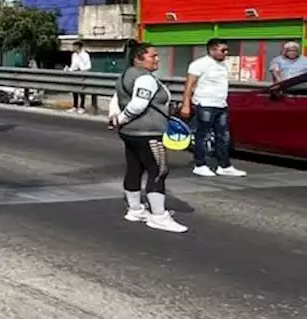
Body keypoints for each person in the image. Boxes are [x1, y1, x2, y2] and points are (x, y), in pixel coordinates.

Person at [109, 43, 188, 233]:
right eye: (153, 56)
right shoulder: (145, 79)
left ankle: (135, 210)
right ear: (139, 59)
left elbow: (116, 99)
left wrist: (115, 118)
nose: (157, 59)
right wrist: (121, 118)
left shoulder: (125, 75)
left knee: (134, 168)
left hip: (130, 133)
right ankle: (159, 216)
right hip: (148, 133)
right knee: (158, 171)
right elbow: (138, 104)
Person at [182, 38, 245, 178]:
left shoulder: (223, 65)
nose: (226, 53)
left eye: (227, 50)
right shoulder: (199, 64)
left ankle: (224, 165)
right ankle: (200, 164)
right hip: (205, 104)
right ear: (211, 50)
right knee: (202, 135)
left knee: (224, 136)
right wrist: (186, 104)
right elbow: (189, 85)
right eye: (223, 50)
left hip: (221, 104)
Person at [68, 40, 93, 113]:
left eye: (75, 46)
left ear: (79, 47)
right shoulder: (74, 55)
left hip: (82, 73)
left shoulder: (85, 55)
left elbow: (88, 66)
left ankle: (82, 107)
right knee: (74, 91)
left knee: (82, 91)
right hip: (75, 74)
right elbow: (73, 65)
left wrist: (82, 70)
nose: (73, 48)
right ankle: (75, 106)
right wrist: (69, 69)